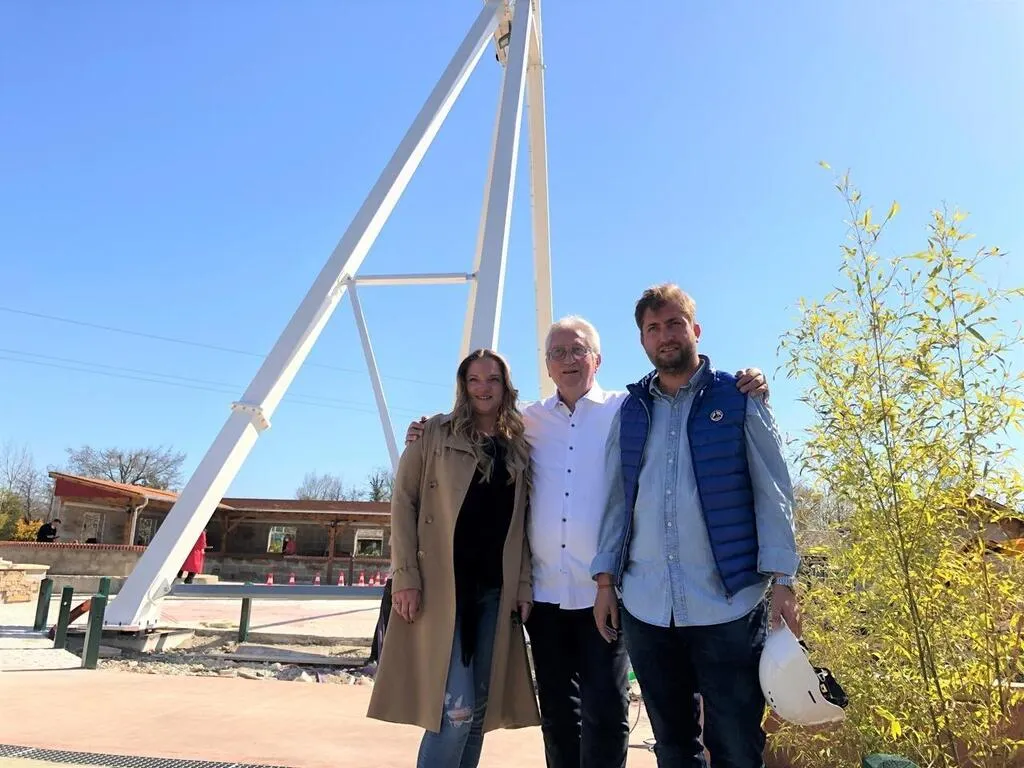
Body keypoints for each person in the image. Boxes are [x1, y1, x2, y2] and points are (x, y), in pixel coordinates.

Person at [405, 318, 768, 768]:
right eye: (557, 353)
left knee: (606, 710)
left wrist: (749, 381)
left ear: (597, 359)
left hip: (607, 593)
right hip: (544, 594)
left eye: (578, 350)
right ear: (547, 366)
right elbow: (475, 423)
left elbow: (681, 398)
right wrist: (426, 430)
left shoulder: (629, 409)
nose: (568, 360)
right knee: (558, 714)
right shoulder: (526, 421)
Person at [591, 284, 800, 768]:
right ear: (642, 340)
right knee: (673, 747)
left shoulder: (739, 397)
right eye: (653, 328)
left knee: (736, 744)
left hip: (728, 605)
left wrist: (785, 581)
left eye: (674, 323)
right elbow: (617, 502)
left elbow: (773, 491)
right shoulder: (631, 411)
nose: (665, 335)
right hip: (647, 608)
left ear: (696, 330)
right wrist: (605, 581)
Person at [368, 349, 540, 767]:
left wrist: (522, 585)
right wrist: (405, 575)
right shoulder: (433, 434)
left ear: (506, 386)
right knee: (455, 712)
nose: (484, 388)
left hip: (494, 593)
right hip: (443, 589)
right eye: (474, 379)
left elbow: (522, 524)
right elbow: (403, 502)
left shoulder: (517, 446)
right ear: (462, 386)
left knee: (478, 711)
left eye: (493, 379)